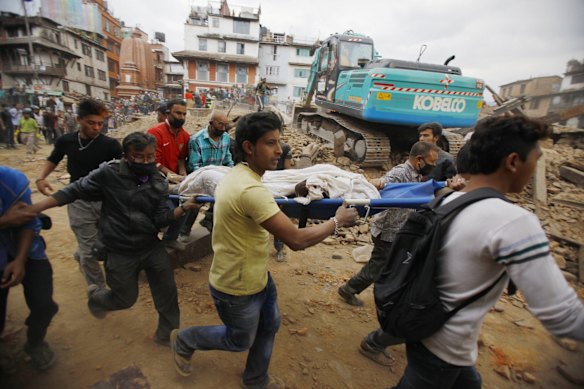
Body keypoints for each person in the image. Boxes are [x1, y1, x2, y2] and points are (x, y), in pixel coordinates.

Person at [393, 116, 584, 389]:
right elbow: (564, 319)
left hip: (424, 326)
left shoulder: (449, 197)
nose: (535, 167)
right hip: (445, 343)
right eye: (536, 159)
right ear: (513, 161)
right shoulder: (514, 221)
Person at [170, 112, 359, 388]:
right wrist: (336, 222)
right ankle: (184, 340)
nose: (279, 149)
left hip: (257, 276)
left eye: (279, 142)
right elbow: (296, 240)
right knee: (239, 340)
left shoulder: (240, 174)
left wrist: (297, 191)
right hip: (236, 286)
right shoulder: (249, 189)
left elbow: (263, 209)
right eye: (271, 143)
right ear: (249, 147)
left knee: (269, 325)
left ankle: (256, 379)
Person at [27, 132, 201, 347]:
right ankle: (96, 297)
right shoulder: (109, 173)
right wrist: (35, 208)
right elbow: (74, 190)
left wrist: (184, 207)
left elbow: (160, 218)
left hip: (150, 246)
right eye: (139, 156)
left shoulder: (157, 181)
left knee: (167, 294)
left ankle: (166, 335)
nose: (146, 162)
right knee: (123, 299)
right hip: (119, 249)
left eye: (150, 157)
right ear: (126, 156)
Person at [337, 142, 439, 308]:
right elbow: (385, 182)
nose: (433, 165)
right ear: (419, 160)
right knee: (377, 266)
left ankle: (388, 293)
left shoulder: (416, 174)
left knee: (390, 265)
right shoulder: (401, 172)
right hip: (387, 232)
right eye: (432, 162)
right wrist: (379, 182)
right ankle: (349, 289)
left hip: (398, 229)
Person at [35, 99, 123, 289]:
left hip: (106, 202)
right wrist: (41, 178)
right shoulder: (66, 141)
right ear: (79, 120)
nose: (96, 128)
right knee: (90, 253)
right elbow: (53, 159)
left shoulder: (111, 145)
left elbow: (124, 169)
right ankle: (98, 291)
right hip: (78, 201)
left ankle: (80, 254)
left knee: (105, 243)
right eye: (91, 123)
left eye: (100, 123)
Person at [0, 166, 59, 371]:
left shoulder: (10, 180)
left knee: (45, 304)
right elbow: (13, 219)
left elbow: (26, 220)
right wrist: (6, 221)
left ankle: (35, 343)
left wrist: (20, 260)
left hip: (25, 247)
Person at [147, 99, 190, 249]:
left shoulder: (184, 136)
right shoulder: (155, 133)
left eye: (184, 114)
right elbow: (152, 161)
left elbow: (181, 158)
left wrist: (182, 172)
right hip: (154, 179)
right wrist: (170, 174)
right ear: (167, 114)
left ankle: (170, 238)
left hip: (173, 179)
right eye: (178, 113)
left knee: (186, 205)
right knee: (168, 210)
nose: (181, 117)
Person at [182, 110, 234, 234]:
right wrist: (207, 179)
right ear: (211, 123)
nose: (223, 128)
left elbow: (227, 157)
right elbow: (194, 165)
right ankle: (184, 231)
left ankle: (209, 221)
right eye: (220, 124)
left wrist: (232, 171)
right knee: (195, 204)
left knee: (223, 202)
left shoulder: (226, 137)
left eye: (225, 125)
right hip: (201, 176)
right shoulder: (197, 139)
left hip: (219, 176)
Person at [273, 140, 292, 262]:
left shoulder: (258, 144)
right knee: (278, 217)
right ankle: (279, 249)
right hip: (278, 186)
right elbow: (287, 169)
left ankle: (280, 248)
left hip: (265, 182)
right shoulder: (284, 148)